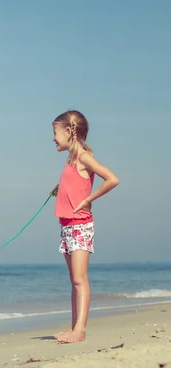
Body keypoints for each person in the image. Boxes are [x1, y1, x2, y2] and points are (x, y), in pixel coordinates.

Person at [50, 111, 119, 343]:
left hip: (81, 226)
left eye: (55, 133)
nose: (53, 138)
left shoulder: (83, 157)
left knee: (80, 279)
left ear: (70, 132)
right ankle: (74, 328)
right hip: (67, 225)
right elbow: (74, 185)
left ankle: (80, 331)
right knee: (74, 280)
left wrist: (89, 199)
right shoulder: (70, 160)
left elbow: (112, 179)